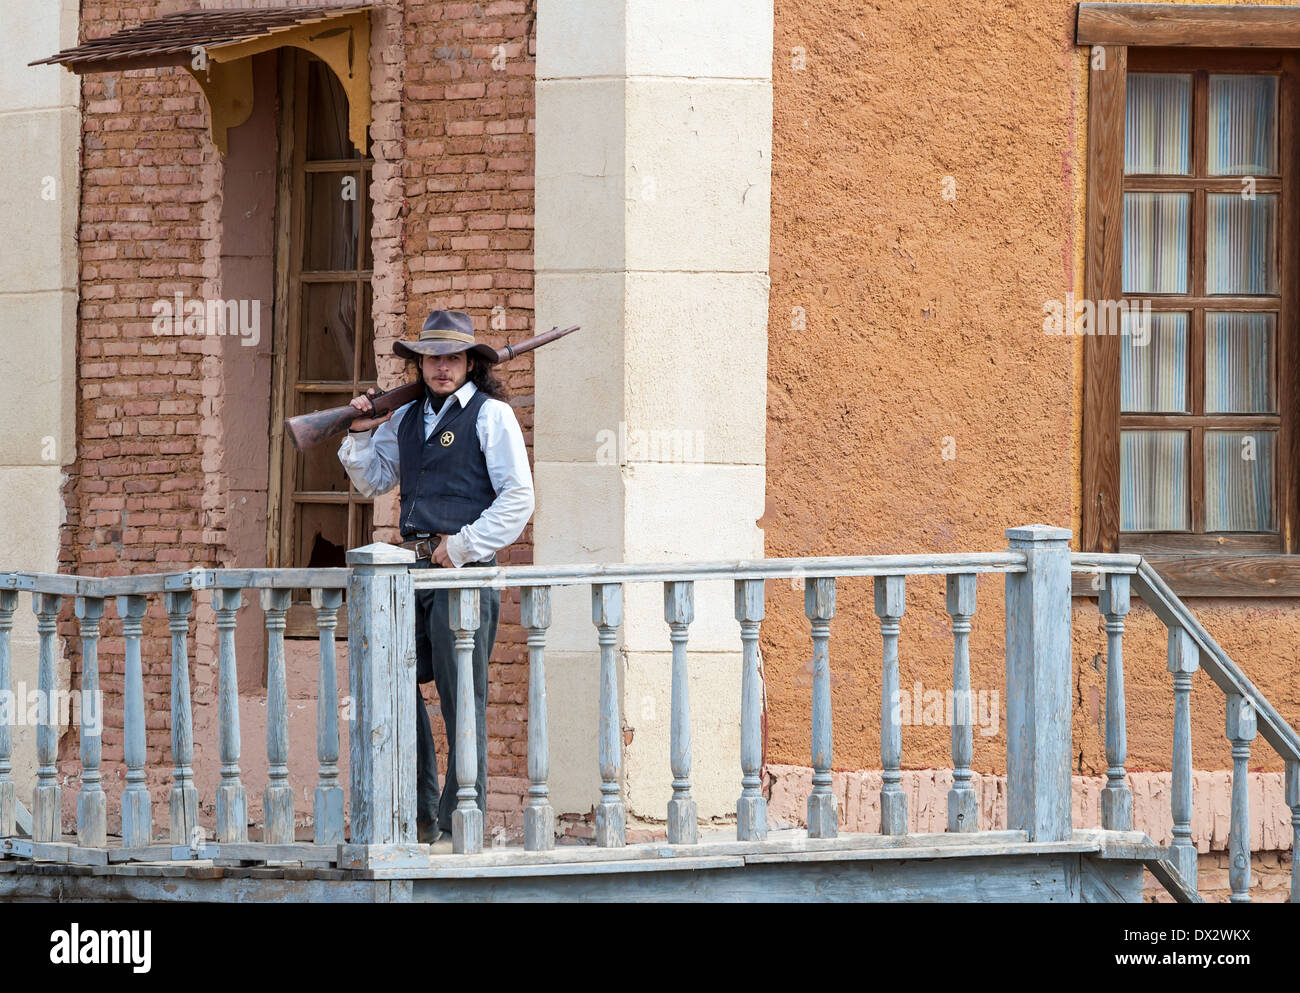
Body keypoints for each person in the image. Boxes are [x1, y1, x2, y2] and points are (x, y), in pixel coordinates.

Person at [338, 310, 535, 848]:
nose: (442, 367)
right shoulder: (404, 417)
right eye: (432, 358)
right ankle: (423, 813)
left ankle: (458, 821)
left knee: (460, 695)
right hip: (411, 572)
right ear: (419, 364)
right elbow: (374, 480)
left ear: (470, 362)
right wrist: (359, 432)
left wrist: (462, 547)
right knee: (397, 683)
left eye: (452, 358)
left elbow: (519, 498)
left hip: (463, 574)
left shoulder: (493, 416)